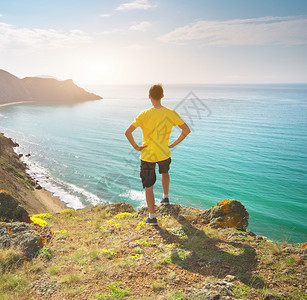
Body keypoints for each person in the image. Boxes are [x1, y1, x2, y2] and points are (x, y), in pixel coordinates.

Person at [125, 84, 190, 225]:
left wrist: (136, 147)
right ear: (162, 96)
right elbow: (186, 130)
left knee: (149, 187)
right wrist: (174, 143)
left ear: (149, 96)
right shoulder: (170, 113)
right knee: (165, 172)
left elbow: (127, 132)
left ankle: (152, 217)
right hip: (164, 153)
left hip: (147, 155)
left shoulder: (144, 114)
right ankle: (165, 198)